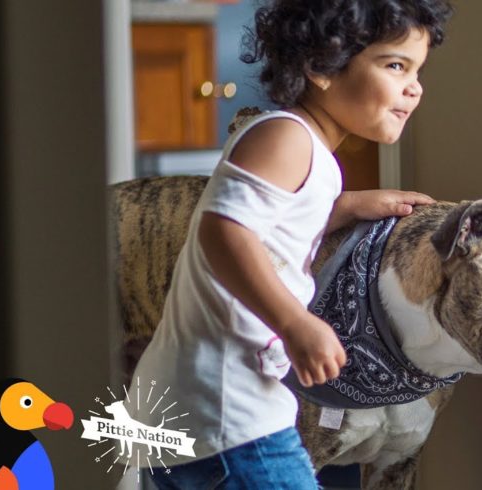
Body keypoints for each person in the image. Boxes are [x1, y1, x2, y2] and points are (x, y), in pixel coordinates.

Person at [130, 0, 454, 488]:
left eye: (417, 70)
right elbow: (224, 232)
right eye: (395, 65)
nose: (415, 86)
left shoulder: (303, 149)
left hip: (195, 408)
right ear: (322, 65)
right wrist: (296, 322)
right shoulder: (288, 139)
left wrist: (343, 206)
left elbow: (268, 225)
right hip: (230, 413)